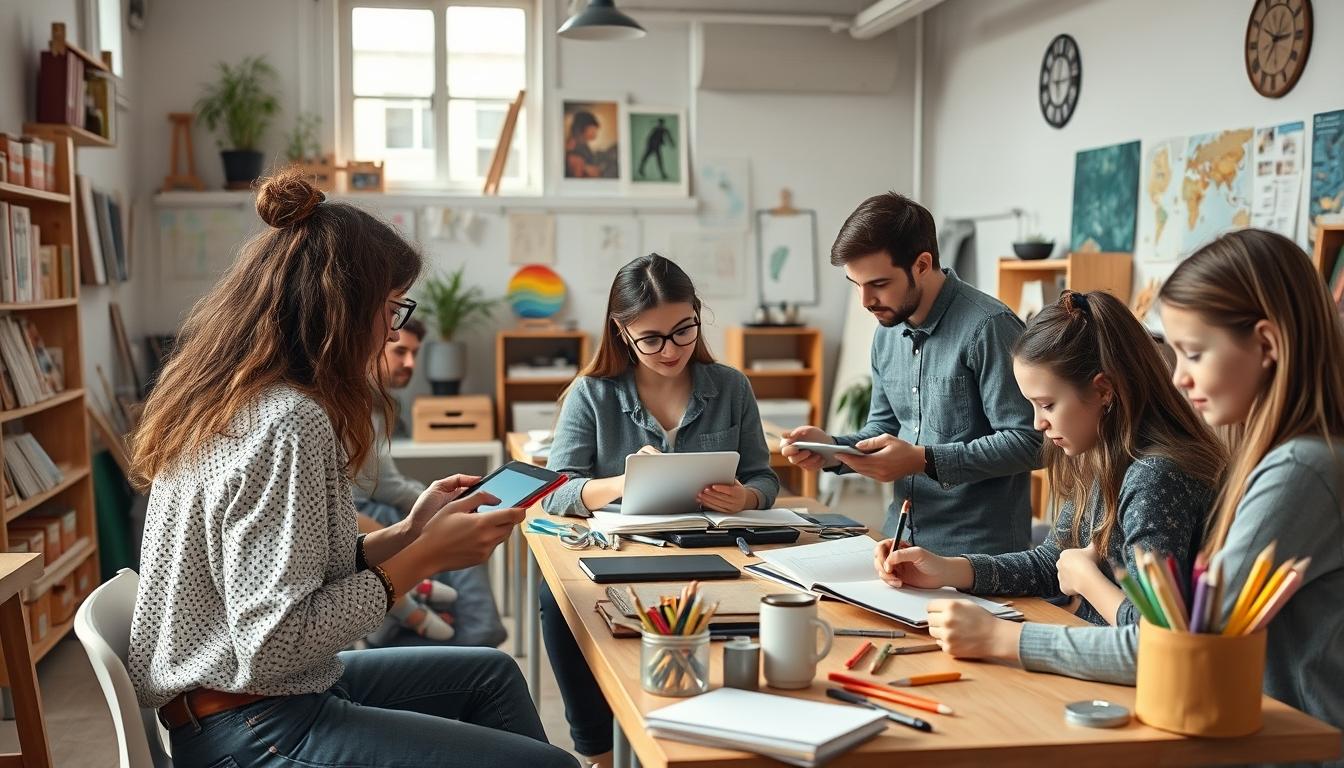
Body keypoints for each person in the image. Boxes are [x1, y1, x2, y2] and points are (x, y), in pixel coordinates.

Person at [127, 169, 576, 768]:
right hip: (254, 725)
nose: (393, 329)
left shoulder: (230, 396)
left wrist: (410, 531)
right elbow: (274, 644)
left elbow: (288, 573)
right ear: (341, 307)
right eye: (391, 310)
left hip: (250, 701)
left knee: (490, 674)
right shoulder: (289, 421)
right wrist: (425, 558)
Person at [923, 229, 1344, 756]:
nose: (1181, 378)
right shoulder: (1283, 459)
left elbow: (1179, 649)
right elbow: (1068, 566)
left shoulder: (1299, 471)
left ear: (1266, 345)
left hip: (1290, 745)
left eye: (1193, 353)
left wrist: (1004, 639)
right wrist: (952, 570)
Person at [875, 290, 1224, 642]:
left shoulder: (1156, 477)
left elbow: (1157, 634)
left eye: (1047, 405)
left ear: (1104, 392)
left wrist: (1087, 580)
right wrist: (946, 570)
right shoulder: (1100, 455)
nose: (1038, 423)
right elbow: (1049, 562)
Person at [541, 253, 780, 766]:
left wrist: (749, 497)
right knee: (556, 599)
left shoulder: (730, 386)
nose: (669, 350)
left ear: (697, 313)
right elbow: (557, 492)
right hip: (622, 552)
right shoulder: (593, 394)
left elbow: (764, 476)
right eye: (650, 338)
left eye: (683, 330)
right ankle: (598, 752)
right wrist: (622, 482)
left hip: (713, 547)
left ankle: (714, 734)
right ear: (621, 332)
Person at [782, 192, 1041, 554]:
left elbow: (1032, 443)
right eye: (855, 285)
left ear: (922, 264)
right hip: (897, 543)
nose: (865, 301)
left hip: (978, 556)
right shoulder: (886, 333)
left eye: (879, 284)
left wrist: (924, 460)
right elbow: (884, 429)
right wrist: (831, 449)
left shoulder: (990, 327)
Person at [354, 316, 507, 647]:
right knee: (455, 524)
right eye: (400, 352)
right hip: (356, 510)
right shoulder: (353, 406)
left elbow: (383, 482)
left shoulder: (376, 407)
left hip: (366, 505)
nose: (410, 363)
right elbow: (383, 487)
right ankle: (478, 637)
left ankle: (464, 634)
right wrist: (440, 504)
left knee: (455, 518)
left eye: (415, 353)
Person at [565, 110, 612, 179]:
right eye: (592, 130)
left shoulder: (583, 144)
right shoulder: (572, 145)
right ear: (582, 128)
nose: (595, 133)